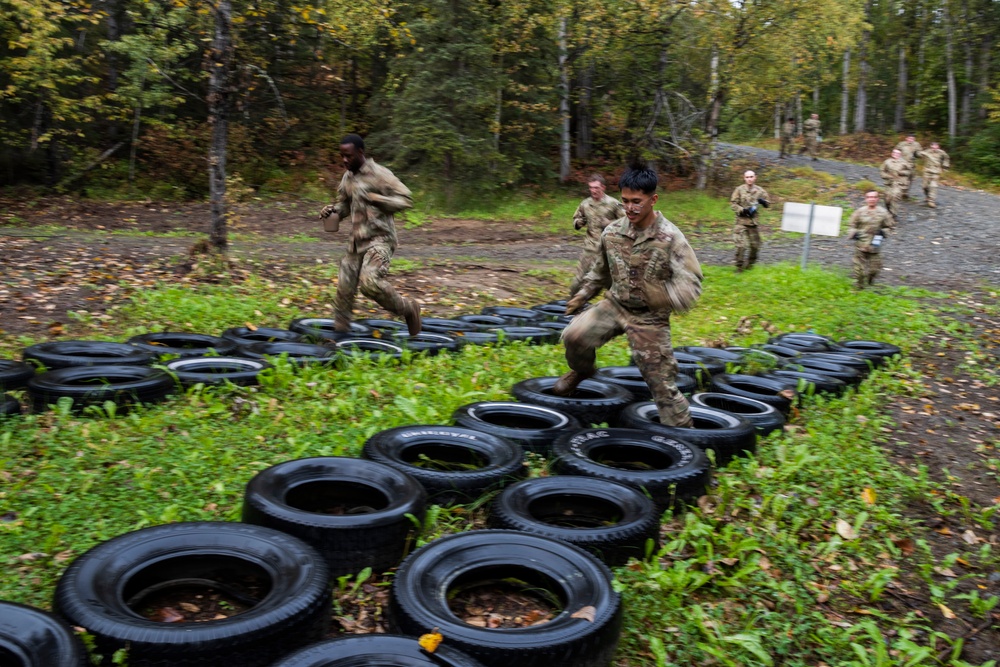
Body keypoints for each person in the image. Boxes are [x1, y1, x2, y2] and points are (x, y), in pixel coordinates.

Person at [554, 159, 702, 428]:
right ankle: (582, 372)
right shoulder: (612, 232)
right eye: (625, 201)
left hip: (649, 318)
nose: (630, 208)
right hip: (614, 305)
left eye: (637, 201)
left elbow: (691, 284)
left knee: (660, 384)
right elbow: (600, 270)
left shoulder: (670, 237)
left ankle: (687, 438)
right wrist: (584, 293)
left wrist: (663, 296)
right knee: (574, 336)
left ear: (653, 199)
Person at [319, 134, 422, 335]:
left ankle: (409, 309)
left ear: (360, 152)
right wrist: (332, 212)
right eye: (341, 156)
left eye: (348, 155)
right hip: (357, 241)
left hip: (381, 239)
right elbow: (345, 204)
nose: (344, 160)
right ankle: (339, 338)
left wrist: (378, 199)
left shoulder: (380, 174)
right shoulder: (347, 177)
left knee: (370, 283)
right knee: (344, 289)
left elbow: (406, 199)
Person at [568, 174, 626, 300]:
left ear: (603, 187)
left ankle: (617, 307)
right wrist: (578, 222)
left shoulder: (613, 204)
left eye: (596, 188)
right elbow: (576, 218)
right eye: (591, 188)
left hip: (608, 250)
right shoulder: (585, 204)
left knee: (611, 282)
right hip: (590, 248)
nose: (593, 190)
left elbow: (626, 222)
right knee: (578, 281)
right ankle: (570, 306)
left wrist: (609, 223)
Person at [847, 190, 896, 290]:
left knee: (875, 270)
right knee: (859, 270)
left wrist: (883, 232)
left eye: (874, 197)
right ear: (866, 199)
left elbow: (890, 226)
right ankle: (859, 286)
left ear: (877, 199)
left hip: (875, 247)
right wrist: (854, 233)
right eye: (869, 197)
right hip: (861, 245)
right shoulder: (859, 212)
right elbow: (851, 225)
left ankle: (870, 281)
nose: (871, 199)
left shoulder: (883, 213)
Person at [729, 170, 771, 272]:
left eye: (751, 177)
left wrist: (763, 202)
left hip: (753, 223)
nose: (749, 179)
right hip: (741, 222)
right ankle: (739, 267)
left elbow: (768, 204)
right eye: (747, 177)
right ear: (744, 178)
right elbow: (733, 204)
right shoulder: (739, 190)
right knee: (741, 246)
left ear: (755, 177)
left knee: (755, 246)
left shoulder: (760, 190)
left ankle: (750, 265)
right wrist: (743, 210)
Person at [879, 148, 911, 222]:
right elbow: (882, 171)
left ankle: (893, 215)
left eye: (898, 153)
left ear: (900, 155)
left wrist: (902, 173)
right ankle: (890, 211)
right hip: (889, 183)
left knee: (895, 196)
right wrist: (887, 176)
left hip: (899, 183)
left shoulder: (904, 162)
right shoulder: (887, 162)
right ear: (892, 154)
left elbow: (909, 171)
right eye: (895, 153)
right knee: (887, 199)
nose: (896, 155)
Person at [917, 142, 950, 208]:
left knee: (933, 186)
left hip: (936, 171)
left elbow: (947, 158)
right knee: (925, 186)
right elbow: (920, 154)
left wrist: (945, 165)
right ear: (931, 146)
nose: (934, 147)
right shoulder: (927, 151)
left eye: (936, 146)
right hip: (927, 171)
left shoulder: (941, 152)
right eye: (933, 146)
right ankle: (928, 196)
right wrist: (916, 153)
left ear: (938, 146)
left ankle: (931, 201)